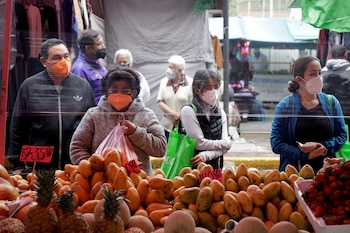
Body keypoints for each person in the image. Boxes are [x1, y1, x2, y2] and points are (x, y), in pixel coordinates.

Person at [8, 38, 96, 174]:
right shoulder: (30, 86)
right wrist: (17, 164)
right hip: (39, 164)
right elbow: (18, 126)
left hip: (74, 164)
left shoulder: (82, 86)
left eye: (66, 56)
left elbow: (92, 126)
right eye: (56, 58)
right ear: (44, 62)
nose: (63, 61)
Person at [70, 67, 167, 176]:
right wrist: (92, 169)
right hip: (102, 183)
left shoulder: (146, 115)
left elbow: (161, 148)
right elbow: (77, 147)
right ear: (106, 91)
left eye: (125, 91)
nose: (119, 95)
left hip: (139, 184)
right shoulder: (94, 115)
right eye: (114, 90)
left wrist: (135, 132)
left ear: (134, 92)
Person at [270, 55, 347, 173]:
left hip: (328, 175)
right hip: (294, 175)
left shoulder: (331, 102)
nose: (318, 78)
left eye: (319, 73)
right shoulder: (285, 107)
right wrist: (305, 155)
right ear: (299, 79)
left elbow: (341, 135)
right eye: (313, 74)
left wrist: (325, 146)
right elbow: (276, 143)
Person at [180, 70, 231, 169]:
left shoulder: (221, 113)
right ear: (197, 90)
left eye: (215, 87)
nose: (213, 91)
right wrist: (226, 143)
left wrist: (206, 155)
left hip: (215, 170)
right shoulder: (188, 111)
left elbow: (225, 147)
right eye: (208, 88)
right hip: (191, 170)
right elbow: (199, 143)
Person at [157, 55, 193, 140]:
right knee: (169, 151)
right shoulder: (163, 82)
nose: (168, 70)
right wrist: (173, 114)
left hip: (185, 126)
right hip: (168, 125)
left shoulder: (190, 83)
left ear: (179, 70)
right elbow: (160, 101)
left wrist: (180, 116)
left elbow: (192, 104)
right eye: (168, 67)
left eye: (171, 68)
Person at [71, 29, 108, 104]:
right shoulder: (79, 69)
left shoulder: (96, 61)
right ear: (88, 49)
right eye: (99, 44)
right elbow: (79, 101)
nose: (103, 47)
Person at [321, 44, 350, 134]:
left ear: (330, 55)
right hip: (348, 114)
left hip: (328, 114)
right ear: (346, 55)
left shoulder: (320, 72)